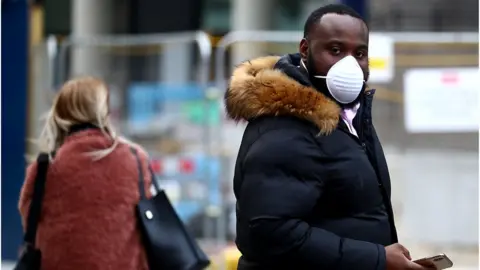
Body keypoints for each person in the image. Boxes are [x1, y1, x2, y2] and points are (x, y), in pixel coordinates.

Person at [225, 4, 435, 270]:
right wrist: (378, 258)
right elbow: (272, 232)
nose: (349, 64)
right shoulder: (285, 127)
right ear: (305, 49)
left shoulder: (347, 118)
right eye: (335, 50)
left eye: (359, 53)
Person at [18, 77, 151, 270]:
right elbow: (148, 216)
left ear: (60, 113)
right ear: (104, 112)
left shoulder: (47, 167)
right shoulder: (136, 159)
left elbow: (29, 218)